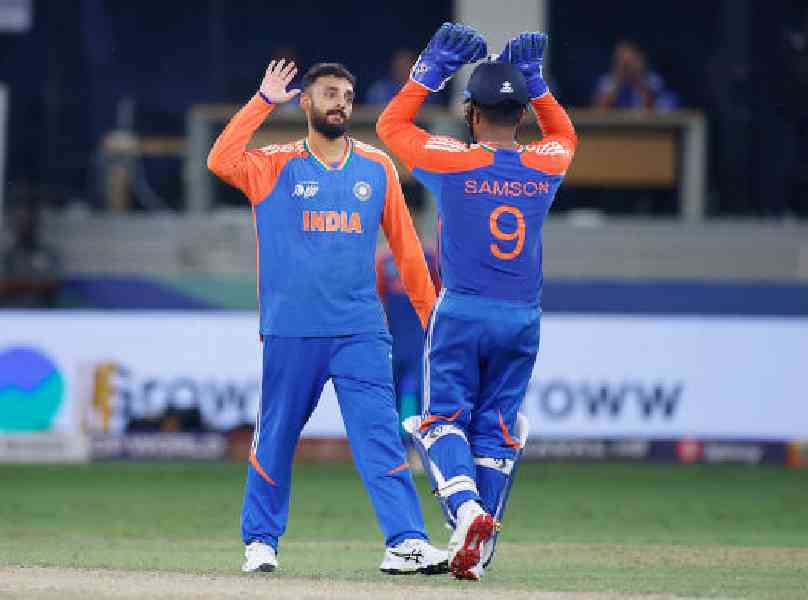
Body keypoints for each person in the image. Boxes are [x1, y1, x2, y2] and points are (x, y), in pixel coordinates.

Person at [207, 59, 448, 575]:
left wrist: (433, 319)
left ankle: (405, 541)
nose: (340, 101)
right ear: (306, 103)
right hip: (292, 329)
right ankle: (261, 541)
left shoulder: (376, 166)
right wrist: (262, 100)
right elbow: (220, 160)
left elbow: (406, 248)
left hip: (362, 328)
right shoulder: (273, 165)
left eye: (346, 93)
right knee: (276, 434)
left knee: (380, 435)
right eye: (329, 92)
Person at [377, 24, 577, 580]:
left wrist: (430, 69)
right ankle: (478, 552)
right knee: (496, 429)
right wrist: (537, 85)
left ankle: (467, 514)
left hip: (462, 311)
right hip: (523, 318)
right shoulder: (547, 164)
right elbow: (566, 134)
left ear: (472, 115)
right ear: (520, 117)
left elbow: (391, 125)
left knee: (440, 421)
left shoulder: (451, 161)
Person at [375, 228, 440, 449]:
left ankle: (421, 448)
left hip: (420, 336)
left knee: (422, 395)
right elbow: (378, 295)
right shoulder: (384, 258)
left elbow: (439, 294)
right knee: (389, 392)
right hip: (393, 335)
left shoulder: (430, 255)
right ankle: (392, 448)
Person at [1, 198, 62, 308]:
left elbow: (53, 284)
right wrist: (33, 284)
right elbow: (4, 285)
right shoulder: (6, 257)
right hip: (10, 313)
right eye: (21, 223)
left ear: (37, 225)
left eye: (30, 223)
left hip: (42, 313)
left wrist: (18, 284)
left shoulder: (48, 255)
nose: (26, 227)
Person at [592, 40, 678, 111]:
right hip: (614, 128)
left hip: (646, 126)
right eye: (621, 61)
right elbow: (598, 109)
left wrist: (637, 78)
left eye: (629, 61)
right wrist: (618, 80)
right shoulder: (607, 81)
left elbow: (653, 107)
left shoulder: (652, 80)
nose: (626, 66)